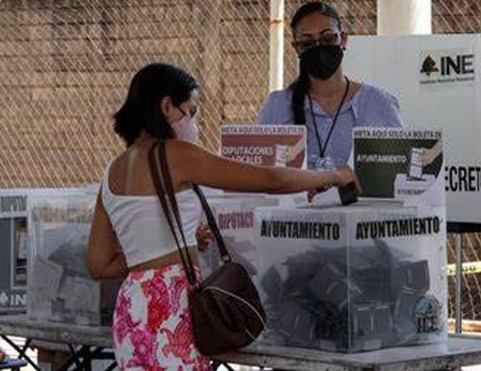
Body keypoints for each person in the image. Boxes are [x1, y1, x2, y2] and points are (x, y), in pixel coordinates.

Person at [86, 63, 359, 370]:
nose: (194, 123)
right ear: (166, 106)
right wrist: (332, 175)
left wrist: (164, 253)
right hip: (170, 305)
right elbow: (272, 180)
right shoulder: (174, 154)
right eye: (190, 111)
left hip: (131, 310)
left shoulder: (112, 172)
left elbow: (100, 264)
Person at [257, 1, 403, 170]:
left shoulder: (378, 104)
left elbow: (395, 170)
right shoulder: (277, 106)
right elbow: (263, 173)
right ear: (296, 48)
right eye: (307, 43)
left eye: (327, 38)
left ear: (343, 39)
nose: (319, 47)